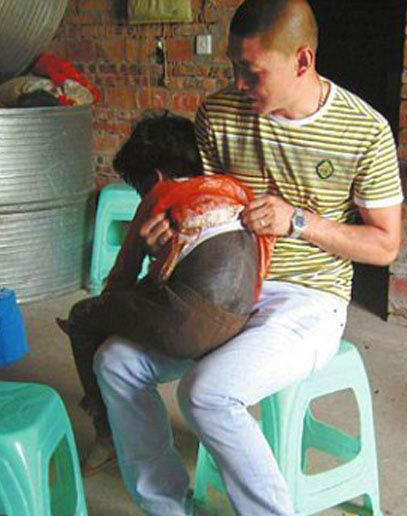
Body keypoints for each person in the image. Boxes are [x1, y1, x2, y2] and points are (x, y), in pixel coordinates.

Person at [93, 1, 403, 516]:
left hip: (309, 299)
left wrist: (298, 221)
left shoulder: (365, 130)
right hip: (222, 286)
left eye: (251, 71)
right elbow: (200, 204)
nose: (237, 83)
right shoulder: (219, 114)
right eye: (233, 67)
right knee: (115, 362)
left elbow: (384, 244)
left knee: (207, 393)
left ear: (302, 61)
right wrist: (165, 233)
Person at [58, 109, 273, 476]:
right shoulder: (232, 192)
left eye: (141, 188)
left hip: (188, 324)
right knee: (124, 313)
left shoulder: (161, 197)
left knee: (83, 315)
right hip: (240, 320)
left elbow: (121, 281)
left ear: (156, 178)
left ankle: (106, 433)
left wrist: (111, 305)